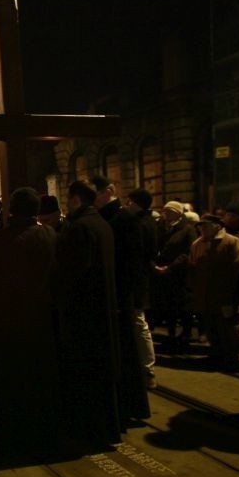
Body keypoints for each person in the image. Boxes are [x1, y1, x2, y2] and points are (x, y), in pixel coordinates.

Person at [0, 188, 61, 450]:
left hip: (7, 320)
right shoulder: (50, 236)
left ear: (12, 211)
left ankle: (12, 431)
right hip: (42, 319)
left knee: (10, 380)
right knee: (39, 379)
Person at [55, 180, 121, 448]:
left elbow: (72, 272)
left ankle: (89, 430)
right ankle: (106, 428)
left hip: (84, 313)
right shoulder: (102, 224)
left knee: (87, 374)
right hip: (102, 308)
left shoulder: (79, 228)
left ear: (74, 199)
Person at [92, 175, 149, 423]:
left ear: (109, 191)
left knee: (126, 350)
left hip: (121, 296)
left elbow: (132, 261)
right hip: (116, 295)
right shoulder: (109, 218)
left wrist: (130, 296)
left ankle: (130, 405)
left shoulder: (123, 219)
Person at [189, 214, 239, 371]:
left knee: (226, 328)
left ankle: (230, 358)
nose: (202, 229)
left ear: (217, 226)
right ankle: (215, 354)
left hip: (225, 294)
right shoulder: (197, 244)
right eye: (201, 226)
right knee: (210, 326)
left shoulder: (232, 242)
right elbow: (193, 267)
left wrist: (235, 292)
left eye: (206, 225)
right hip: (205, 295)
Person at [125, 188, 159, 388]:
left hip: (136, 282)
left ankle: (147, 368)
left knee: (139, 323)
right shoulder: (148, 222)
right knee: (139, 323)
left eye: (129, 202)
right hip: (140, 281)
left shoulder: (140, 224)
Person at [153, 200, 198, 350]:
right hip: (164, 272)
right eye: (165, 211)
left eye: (170, 211)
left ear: (178, 213)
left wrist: (171, 266)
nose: (166, 214)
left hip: (179, 273)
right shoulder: (160, 228)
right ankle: (171, 334)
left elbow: (188, 251)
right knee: (168, 306)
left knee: (183, 306)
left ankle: (185, 335)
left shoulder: (187, 229)